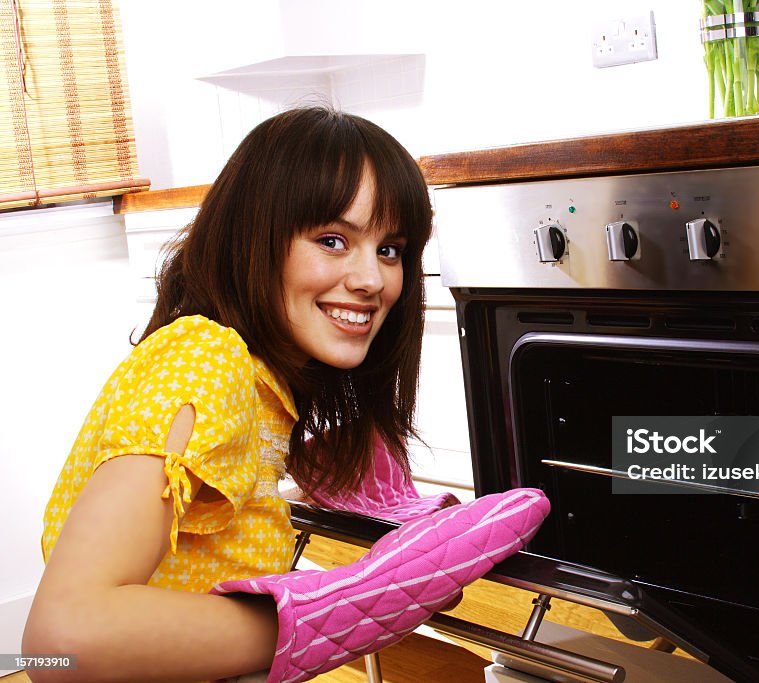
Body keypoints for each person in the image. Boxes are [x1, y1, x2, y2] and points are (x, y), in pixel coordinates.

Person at [22, 107, 550, 683]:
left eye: (390, 249)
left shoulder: (256, 384)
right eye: (332, 239)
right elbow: (62, 642)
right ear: (252, 238)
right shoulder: (202, 358)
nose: (372, 279)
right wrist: (348, 606)